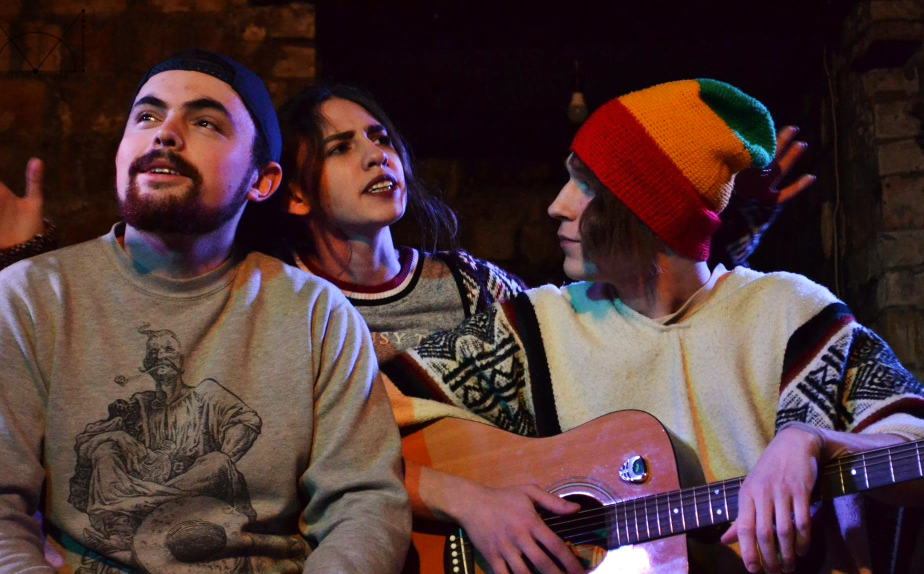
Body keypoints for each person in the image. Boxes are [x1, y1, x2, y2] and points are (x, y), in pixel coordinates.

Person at [0, 80, 814, 571]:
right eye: (342, 147)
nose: (377, 154)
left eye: (381, 137)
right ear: (289, 191)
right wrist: (30, 257)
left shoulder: (479, 287)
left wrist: (716, 222)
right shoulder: (282, 310)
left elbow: (619, 333)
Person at [382, 79, 924, 574]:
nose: (557, 206)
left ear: (649, 212)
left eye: (585, 186)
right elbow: (358, 430)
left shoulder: (793, 313)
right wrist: (469, 501)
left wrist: (815, 441)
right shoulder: (535, 328)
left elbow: (913, 450)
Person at [0, 49, 411, 574]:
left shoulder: (316, 315)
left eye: (205, 122)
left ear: (262, 181)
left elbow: (364, 503)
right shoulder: (26, 299)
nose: (164, 134)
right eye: (147, 116)